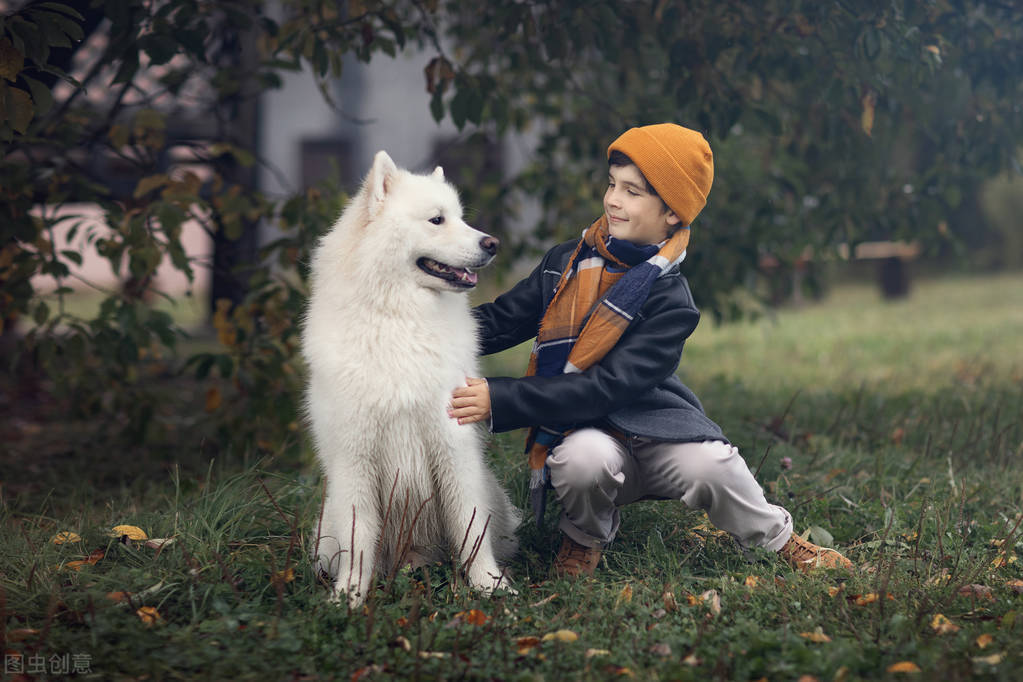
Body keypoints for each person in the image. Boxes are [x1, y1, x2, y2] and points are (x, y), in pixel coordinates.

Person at [448, 123, 852, 577]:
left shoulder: (670, 300)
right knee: (581, 461)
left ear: (672, 213)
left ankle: (779, 539)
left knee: (714, 464)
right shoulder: (566, 262)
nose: (613, 199)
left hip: (656, 436)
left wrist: (501, 398)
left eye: (633, 191)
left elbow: (606, 387)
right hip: (591, 436)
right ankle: (584, 537)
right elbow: (502, 320)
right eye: (612, 184)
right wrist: (424, 327)